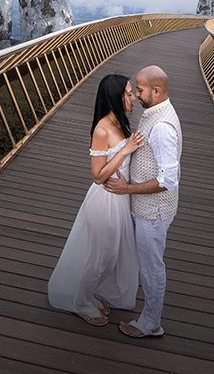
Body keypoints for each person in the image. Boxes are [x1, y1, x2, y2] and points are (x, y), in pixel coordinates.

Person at [47, 74, 144, 326]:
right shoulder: (101, 130)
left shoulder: (121, 123)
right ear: (115, 96)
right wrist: (125, 150)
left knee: (109, 253)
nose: (133, 97)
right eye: (129, 92)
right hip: (105, 201)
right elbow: (98, 176)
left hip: (119, 199)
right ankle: (80, 301)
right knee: (102, 254)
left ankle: (88, 294)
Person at [106, 65, 182, 338]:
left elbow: (167, 180)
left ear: (157, 91)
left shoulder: (162, 127)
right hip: (147, 207)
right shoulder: (155, 113)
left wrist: (127, 188)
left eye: (139, 90)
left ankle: (151, 322)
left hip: (154, 211)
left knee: (151, 266)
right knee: (148, 262)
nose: (136, 95)